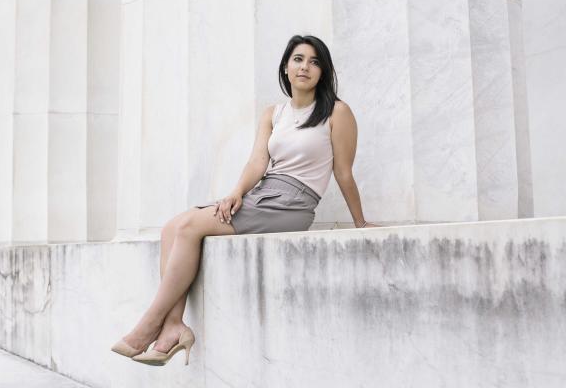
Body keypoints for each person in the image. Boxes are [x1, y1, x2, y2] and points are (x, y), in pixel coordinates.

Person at [111, 34, 377, 366]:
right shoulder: (273, 114)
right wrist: (236, 192)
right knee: (171, 228)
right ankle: (174, 326)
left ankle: (148, 325)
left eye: (314, 61)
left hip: (293, 204)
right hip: (263, 192)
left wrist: (360, 222)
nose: (305, 67)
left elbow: (343, 172)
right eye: (298, 59)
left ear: (323, 72)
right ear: (285, 67)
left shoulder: (337, 112)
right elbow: (257, 162)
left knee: (190, 226)